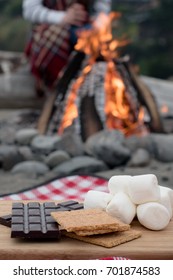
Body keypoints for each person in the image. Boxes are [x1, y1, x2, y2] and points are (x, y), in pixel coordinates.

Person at [22, 0, 111, 95]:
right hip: (50, 29)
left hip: (85, 28)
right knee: (56, 41)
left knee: (97, 47)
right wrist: (63, 17)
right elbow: (29, 11)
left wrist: (95, 24)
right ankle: (57, 85)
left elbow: (103, 10)